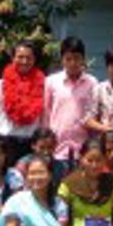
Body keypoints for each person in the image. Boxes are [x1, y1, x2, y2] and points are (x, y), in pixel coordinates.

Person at [43, 36, 98, 178]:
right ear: (62, 59)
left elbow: (93, 114)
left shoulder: (92, 83)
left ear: (83, 59)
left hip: (82, 151)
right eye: (68, 59)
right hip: (56, 149)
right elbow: (46, 113)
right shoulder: (51, 82)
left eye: (77, 58)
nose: (73, 63)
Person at [0, 41, 45, 165]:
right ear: (13, 58)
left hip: (31, 142)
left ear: (34, 59)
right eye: (20, 57)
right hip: (6, 141)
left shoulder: (43, 86)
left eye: (28, 58)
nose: (24, 61)